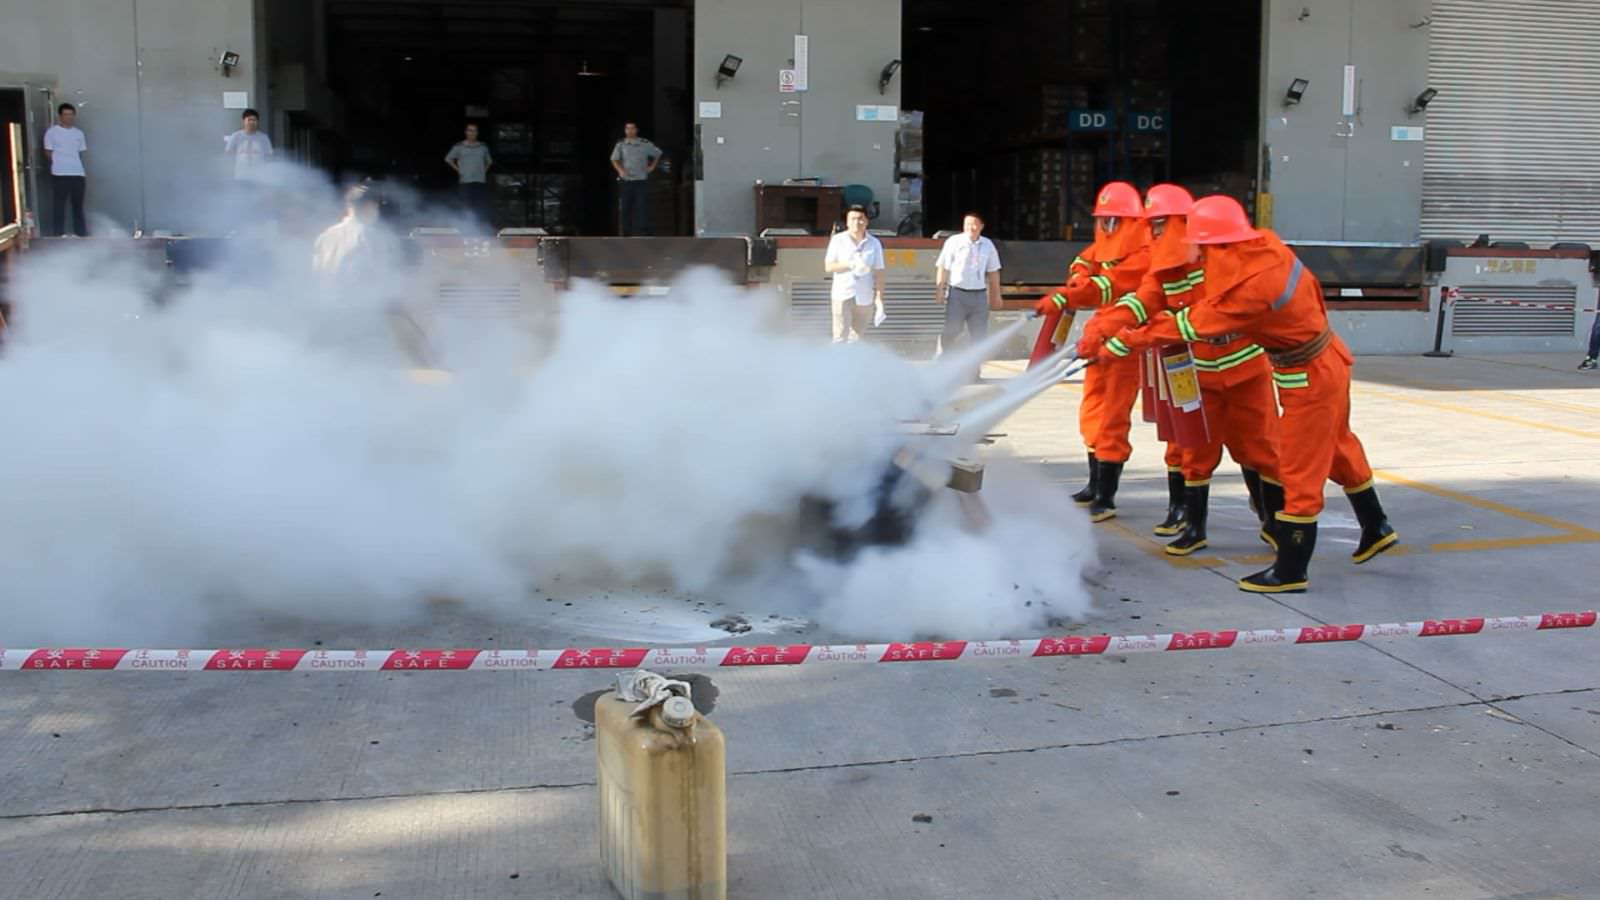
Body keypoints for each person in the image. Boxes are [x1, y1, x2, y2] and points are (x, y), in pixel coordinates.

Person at [1104, 195, 1398, 593]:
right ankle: (1375, 524)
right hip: (1326, 360)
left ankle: (1291, 569)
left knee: (1298, 466)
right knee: (1338, 447)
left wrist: (1127, 341)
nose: (1202, 258)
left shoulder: (1254, 288)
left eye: (1206, 249)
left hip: (1308, 374)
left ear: (1223, 244)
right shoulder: (1267, 248)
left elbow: (1194, 323)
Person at [1078, 184, 1283, 556]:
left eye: (1159, 226)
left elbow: (1203, 318)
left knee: (1260, 447)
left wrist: (1133, 339)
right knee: (1194, 449)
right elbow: (1143, 302)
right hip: (1198, 372)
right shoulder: (1162, 271)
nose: (1152, 234)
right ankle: (1193, 526)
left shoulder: (1220, 259)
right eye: (1150, 226)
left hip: (1245, 372)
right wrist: (1105, 327)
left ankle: (1273, 519)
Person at [1032, 182, 1152, 522]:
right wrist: (1078, 277)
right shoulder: (1106, 245)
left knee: (1114, 413)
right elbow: (1083, 262)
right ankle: (1092, 483)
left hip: (1128, 337)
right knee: (1093, 408)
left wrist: (1071, 295)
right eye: (1104, 220)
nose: (1107, 228)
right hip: (1100, 332)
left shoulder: (1144, 253)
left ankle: (1106, 495)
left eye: (1114, 221)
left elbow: (1107, 287)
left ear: (1131, 222)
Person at [934, 212, 1003, 378]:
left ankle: (973, 372)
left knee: (978, 335)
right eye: (967, 224)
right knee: (953, 330)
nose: (970, 228)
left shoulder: (988, 245)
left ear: (981, 226)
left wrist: (996, 295)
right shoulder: (954, 242)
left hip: (979, 296)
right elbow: (943, 267)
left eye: (974, 224)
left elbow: (993, 272)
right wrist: (940, 290)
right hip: (957, 293)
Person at [823, 205, 885, 343]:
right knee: (840, 336)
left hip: (864, 295)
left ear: (867, 221)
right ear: (847, 222)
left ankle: (852, 362)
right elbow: (828, 266)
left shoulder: (874, 243)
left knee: (857, 337)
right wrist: (849, 264)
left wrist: (879, 298)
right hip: (843, 293)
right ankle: (837, 363)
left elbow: (880, 272)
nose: (856, 223)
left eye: (860, 219)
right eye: (852, 219)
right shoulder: (838, 240)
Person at [42, 103, 88, 237]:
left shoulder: (79, 133)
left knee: (78, 205)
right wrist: (59, 163)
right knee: (59, 205)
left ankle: (80, 233)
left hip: (77, 173)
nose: (69, 117)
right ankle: (58, 234)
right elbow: (48, 152)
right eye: (66, 114)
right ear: (60, 116)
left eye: (71, 115)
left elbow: (80, 153)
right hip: (60, 173)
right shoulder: (52, 132)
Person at [609, 122, 661, 236]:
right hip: (626, 181)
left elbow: (657, 153)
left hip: (641, 181)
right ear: (625, 131)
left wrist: (652, 166)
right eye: (627, 129)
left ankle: (645, 232)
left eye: (632, 128)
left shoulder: (644, 144)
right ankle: (626, 233)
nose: (630, 131)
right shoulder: (621, 144)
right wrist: (620, 170)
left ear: (636, 130)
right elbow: (614, 159)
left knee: (642, 207)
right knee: (626, 208)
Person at [445, 123, 493, 230]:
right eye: (470, 130)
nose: (472, 133)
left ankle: (480, 228)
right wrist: (458, 170)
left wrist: (483, 171)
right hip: (465, 181)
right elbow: (448, 159)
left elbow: (489, 162)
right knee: (465, 206)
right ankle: (465, 227)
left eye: (474, 131)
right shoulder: (459, 147)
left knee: (480, 206)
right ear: (466, 132)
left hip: (480, 181)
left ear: (477, 133)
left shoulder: (483, 147)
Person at [223, 109, 274, 180]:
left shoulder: (263, 138)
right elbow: (228, 154)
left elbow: (269, 156)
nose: (252, 122)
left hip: (259, 177)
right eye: (249, 119)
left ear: (257, 122)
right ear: (243, 121)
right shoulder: (236, 136)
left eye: (254, 120)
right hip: (240, 176)